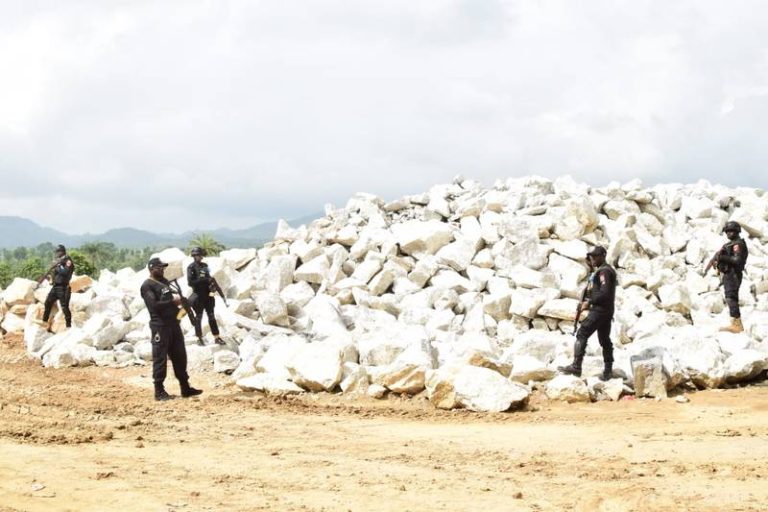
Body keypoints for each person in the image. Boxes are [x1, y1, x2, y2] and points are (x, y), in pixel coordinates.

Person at [140, 257, 203, 401]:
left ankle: (185, 388)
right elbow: (154, 306)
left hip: (174, 324)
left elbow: (173, 303)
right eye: (159, 268)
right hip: (160, 327)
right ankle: (159, 391)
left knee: (180, 356)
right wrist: (174, 302)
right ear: (151, 269)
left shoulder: (165, 282)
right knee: (160, 358)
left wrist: (184, 307)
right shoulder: (147, 285)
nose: (162, 270)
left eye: (163, 267)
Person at [558, 246, 617, 380]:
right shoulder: (601, 271)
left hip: (600, 310)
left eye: (595, 256)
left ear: (603, 256)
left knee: (582, 333)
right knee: (604, 340)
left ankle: (576, 367)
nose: (592, 258)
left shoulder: (604, 272)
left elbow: (605, 293)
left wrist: (589, 302)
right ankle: (608, 371)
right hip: (606, 310)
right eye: (591, 256)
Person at [187, 247, 224, 345]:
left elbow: (208, 277)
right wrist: (203, 280)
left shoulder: (205, 266)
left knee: (211, 316)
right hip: (198, 296)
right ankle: (199, 338)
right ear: (194, 256)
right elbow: (190, 282)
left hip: (208, 295)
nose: (200, 257)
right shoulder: (191, 267)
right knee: (198, 317)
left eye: (200, 255)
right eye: (197, 255)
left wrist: (212, 286)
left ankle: (217, 337)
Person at [716, 221, 749, 333]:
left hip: (733, 274)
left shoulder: (737, 245)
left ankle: (737, 324)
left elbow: (737, 260)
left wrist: (723, 258)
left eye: (731, 231)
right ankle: (735, 322)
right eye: (727, 231)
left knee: (731, 297)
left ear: (737, 231)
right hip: (729, 274)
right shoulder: (730, 244)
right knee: (729, 297)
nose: (728, 233)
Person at [41, 244, 74, 330]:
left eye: (58, 252)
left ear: (62, 252)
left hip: (63, 287)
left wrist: (58, 266)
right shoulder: (59, 262)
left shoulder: (68, 261)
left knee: (64, 307)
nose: (56, 254)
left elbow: (65, 272)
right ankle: (44, 321)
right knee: (48, 302)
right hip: (55, 287)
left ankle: (69, 326)